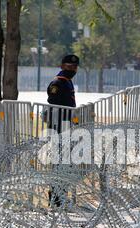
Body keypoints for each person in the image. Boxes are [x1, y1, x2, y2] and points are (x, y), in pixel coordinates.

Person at [46, 55, 80, 208]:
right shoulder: (58, 83)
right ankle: (55, 199)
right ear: (61, 65)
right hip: (59, 128)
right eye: (68, 66)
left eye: (74, 67)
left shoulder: (67, 82)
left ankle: (61, 196)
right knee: (59, 164)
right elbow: (53, 104)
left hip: (66, 128)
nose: (71, 69)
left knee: (65, 163)